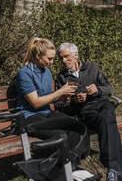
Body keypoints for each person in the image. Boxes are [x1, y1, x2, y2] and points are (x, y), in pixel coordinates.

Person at [15, 37, 89, 170]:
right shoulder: (24, 74)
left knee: (77, 127)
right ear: (38, 56)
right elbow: (36, 103)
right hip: (30, 118)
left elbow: (49, 97)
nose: (52, 62)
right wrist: (60, 92)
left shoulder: (47, 72)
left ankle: (66, 167)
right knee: (62, 135)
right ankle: (60, 169)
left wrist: (62, 98)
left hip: (47, 113)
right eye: (50, 59)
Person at [55, 42, 122, 181]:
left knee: (107, 112)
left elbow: (108, 88)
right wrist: (75, 101)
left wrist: (97, 90)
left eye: (66, 56)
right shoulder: (61, 77)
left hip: (101, 106)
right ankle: (114, 171)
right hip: (84, 113)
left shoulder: (91, 68)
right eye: (61, 58)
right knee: (108, 119)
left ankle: (113, 170)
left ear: (76, 55)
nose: (64, 61)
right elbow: (59, 105)